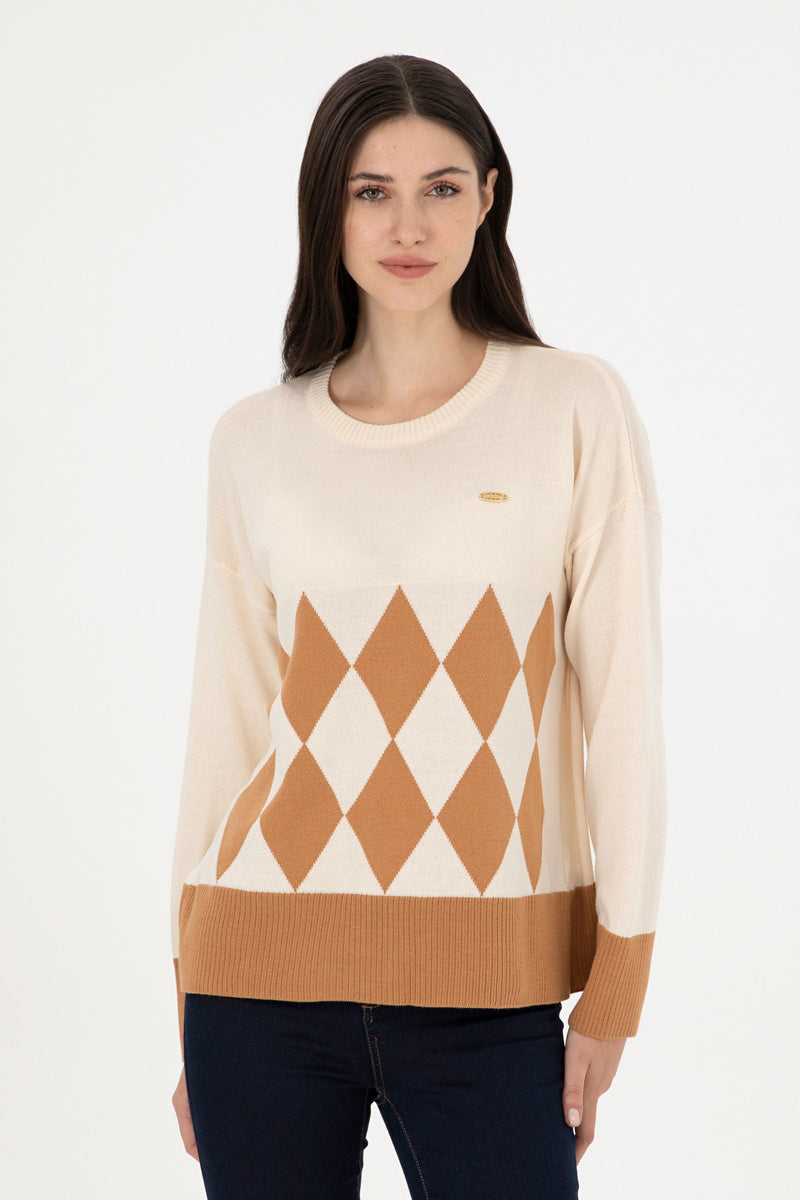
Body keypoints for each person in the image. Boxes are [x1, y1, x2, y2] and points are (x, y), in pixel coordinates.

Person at [169, 52, 666, 1200]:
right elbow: (224, 729)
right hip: (254, 992)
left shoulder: (570, 406)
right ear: (327, 209)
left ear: (488, 197)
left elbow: (624, 709)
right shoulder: (255, 438)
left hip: (492, 1001)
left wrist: (614, 991)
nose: (407, 225)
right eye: (370, 191)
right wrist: (187, 997)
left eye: (440, 188)